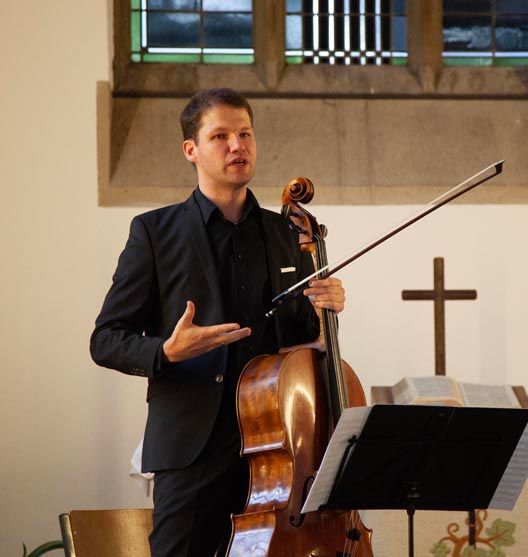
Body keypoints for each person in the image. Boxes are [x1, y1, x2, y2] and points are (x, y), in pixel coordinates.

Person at [90, 88, 345, 556]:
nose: (237, 146)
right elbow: (106, 340)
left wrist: (325, 308)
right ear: (192, 150)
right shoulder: (153, 233)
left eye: (245, 134)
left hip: (277, 450)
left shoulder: (286, 233)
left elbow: (302, 338)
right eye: (221, 136)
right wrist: (166, 351)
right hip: (192, 451)